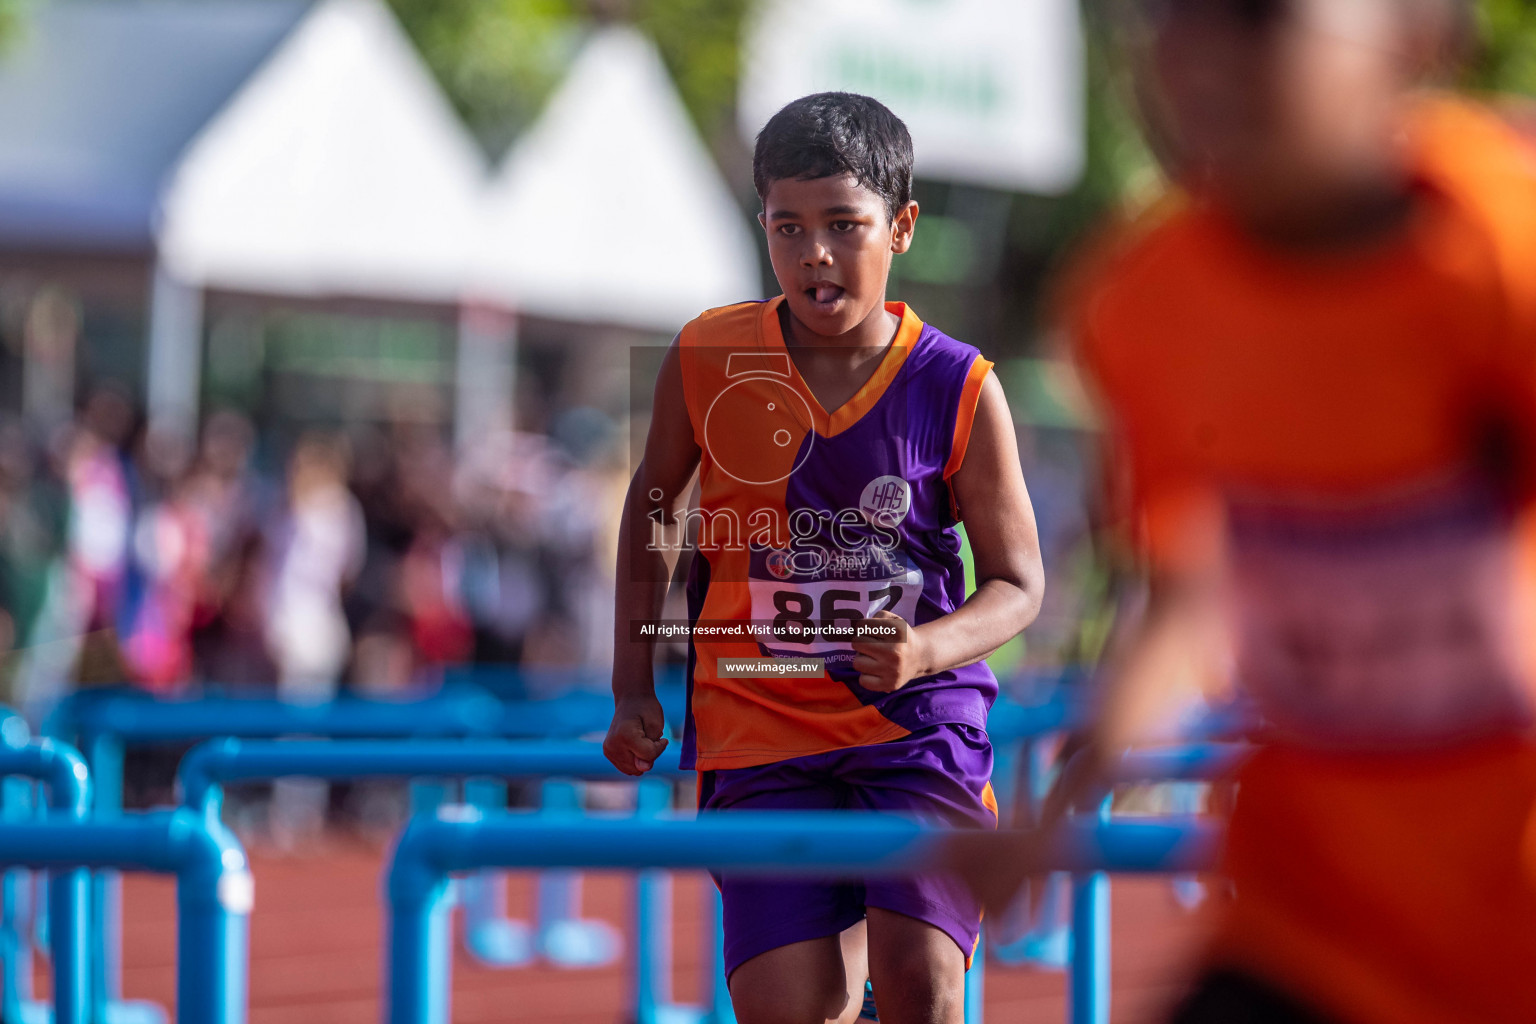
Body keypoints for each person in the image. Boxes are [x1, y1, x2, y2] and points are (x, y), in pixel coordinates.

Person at [954, 1, 1536, 1021]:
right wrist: (1056, 815)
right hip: (1313, 922)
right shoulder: (1143, 306)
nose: (1200, 56)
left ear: (1418, 34)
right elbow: (1190, 591)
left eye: (1257, 16)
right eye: (1169, 15)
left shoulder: (1501, 254)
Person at [603, 92, 1044, 1024]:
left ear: (903, 227)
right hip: (758, 724)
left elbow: (1019, 583)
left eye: (845, 226)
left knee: (924, 987)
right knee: (792, 1009)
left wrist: (925, 650)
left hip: (915, 728)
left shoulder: (959, 383)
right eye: (787, 226)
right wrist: (631, 684)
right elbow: (654, 513)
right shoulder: (709, 353)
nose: (816, 254)